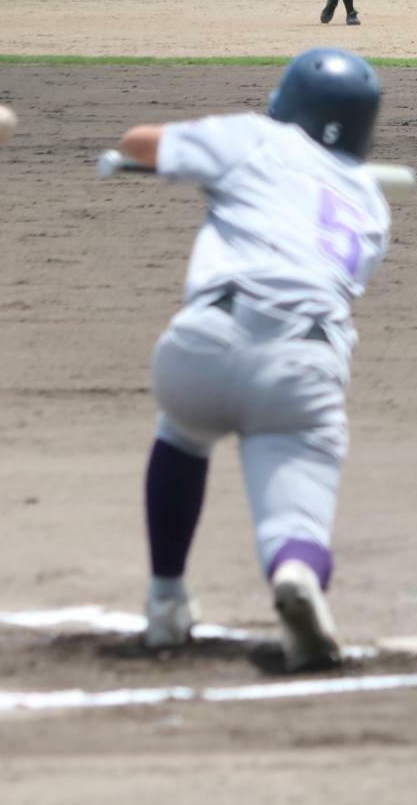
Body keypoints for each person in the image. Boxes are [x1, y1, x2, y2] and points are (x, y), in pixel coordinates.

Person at [121, 49, 393, 673]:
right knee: (297, 505)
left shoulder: (257, 138)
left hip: (204, 347)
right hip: (305, 366)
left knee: (183, 432)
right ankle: (295, 572)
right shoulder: (372, 207)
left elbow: (139, 143)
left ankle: (165, 604)